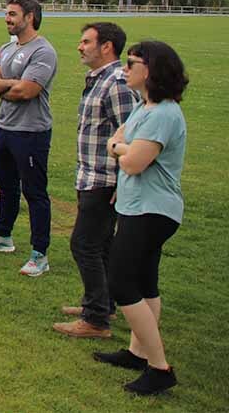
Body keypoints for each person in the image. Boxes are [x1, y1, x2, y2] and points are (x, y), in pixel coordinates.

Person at [93, 41, 188, 396]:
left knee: (121, 282)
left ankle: (159, 368)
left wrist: (120, 148)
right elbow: (120, 142)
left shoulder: (164, 114)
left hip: (152, 210)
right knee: (146, 282)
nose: (124, 69)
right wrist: (122, 147)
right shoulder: (143, 106)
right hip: (137, 206)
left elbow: (132, 162)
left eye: (131, 63)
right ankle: (138, 352)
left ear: (150, 70)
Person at [53, 22, 137, 339]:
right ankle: (104, 304)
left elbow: (132, 134)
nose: (80, 46)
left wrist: (122, 180)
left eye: (86, 41)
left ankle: (96, 319)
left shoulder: (117, 83)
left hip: (105, 180)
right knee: (100, 245)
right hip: (91, 176)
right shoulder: (99, 79)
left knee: (84, 244)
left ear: (107, 46)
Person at [0, 0, 58, 277]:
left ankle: (39, 254)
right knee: (6, 186)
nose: (7, 19)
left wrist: (4, 87)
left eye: (12, 14)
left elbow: (26, 91)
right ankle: (3, 236)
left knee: (34, 192)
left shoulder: (43, 51)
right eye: (6, 14)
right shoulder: (7, 49)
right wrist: (10, 84)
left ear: (29, 17)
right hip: (4, 128)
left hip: (31, 132)